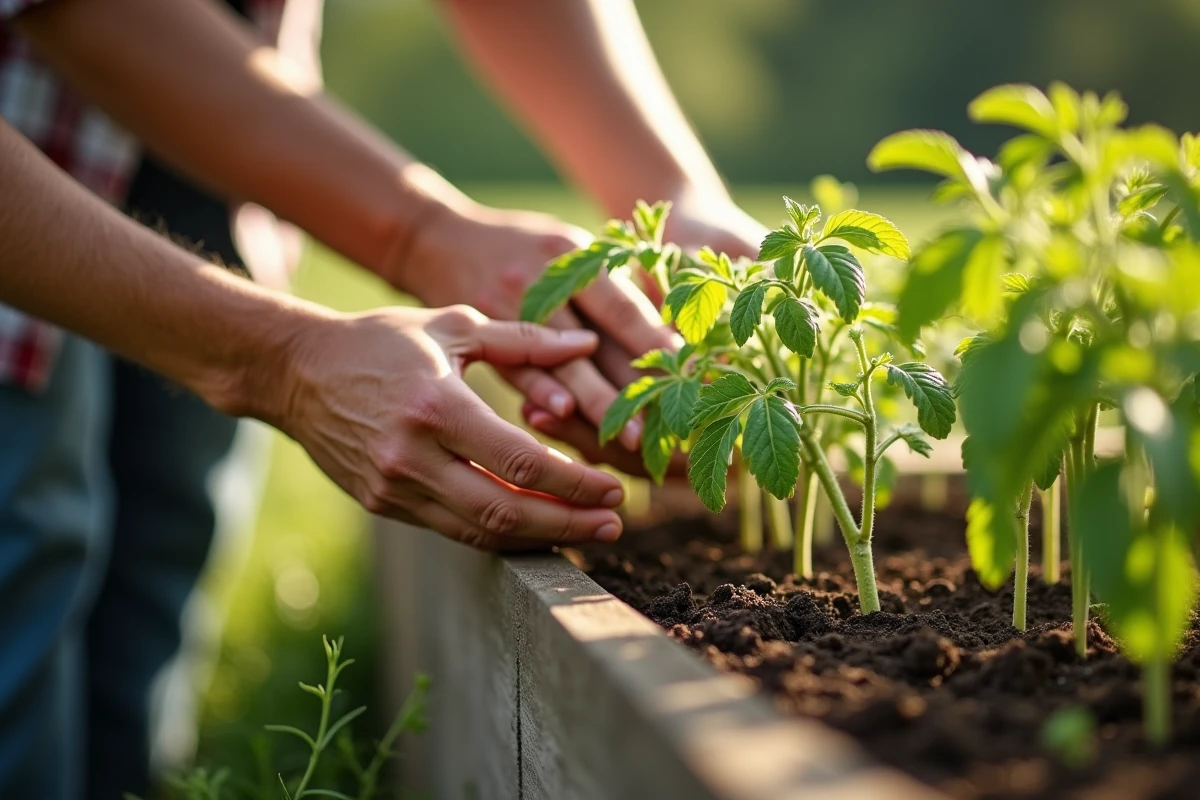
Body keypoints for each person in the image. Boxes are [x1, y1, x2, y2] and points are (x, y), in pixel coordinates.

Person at [0, 0, 766, 797]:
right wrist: (289, 353)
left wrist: (668, 187)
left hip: (212, 109)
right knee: (27, 542)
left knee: (146, 580)